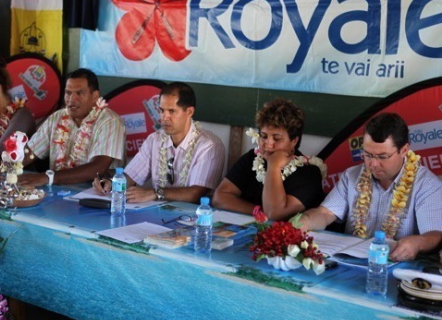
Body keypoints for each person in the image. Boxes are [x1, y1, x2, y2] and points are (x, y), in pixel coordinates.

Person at [299, 113, 442, 262]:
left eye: (382, 156)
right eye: (367, 154)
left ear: (404, 150)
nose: (373, 164)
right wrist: (304, 222)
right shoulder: (352, 176)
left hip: (395, 268)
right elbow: (325, 213)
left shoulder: (426, 185)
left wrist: (418, 243)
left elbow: (435, 235)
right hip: (350, 263)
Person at [93, 82, 225, 204]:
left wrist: (154, 193)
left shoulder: (209, 145)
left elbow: (195, 194)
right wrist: (110, 184)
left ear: (189, 112)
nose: (164, 117)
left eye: (172, 111)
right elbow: (130, 176)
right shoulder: (154, 140)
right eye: (161, 110)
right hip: (157, 214)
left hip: (193, 219)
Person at [212, 99, 325, 220]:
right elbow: (219, 198)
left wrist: (274, 166)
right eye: (264, 136)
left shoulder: (309, 172)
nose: (268, 144)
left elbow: (274, 214)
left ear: (294, 141)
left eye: (277, 138)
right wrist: (257, 211)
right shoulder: (252, 158)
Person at [18, 68, 125, 186]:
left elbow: (97, 168)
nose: (72, 99)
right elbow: (30, 152)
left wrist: (48, 178)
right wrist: (6, 165)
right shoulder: (57, 117)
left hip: (95, 194)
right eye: (68, 93)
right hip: (58, 192)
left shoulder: (109, 121)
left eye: (79, 93)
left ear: (95, 96)